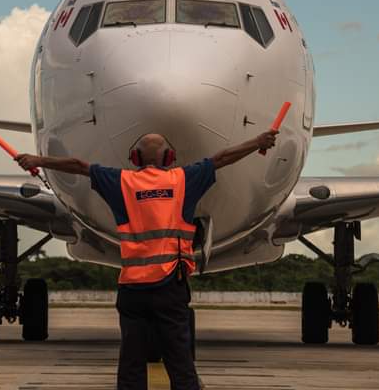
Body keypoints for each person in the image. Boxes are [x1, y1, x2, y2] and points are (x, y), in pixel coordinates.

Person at [15, 130, 278, 390]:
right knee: (180, 361)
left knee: (131, 362)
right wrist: (257, 142)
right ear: (170, 157)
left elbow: (78, 166)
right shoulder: (183, 180)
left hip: (133, 288)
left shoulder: (121, 181)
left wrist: (38, 160)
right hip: (170, 286)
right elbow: (221, 159)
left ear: (135, 158)